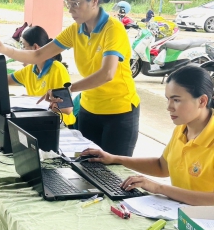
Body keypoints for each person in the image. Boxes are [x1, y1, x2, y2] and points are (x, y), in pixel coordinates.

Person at [0, 0, 140, 156]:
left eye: (76, 3)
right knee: (86, 168)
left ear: (94, 0)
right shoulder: (75, 30)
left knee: (114, 176)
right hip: (89, 109)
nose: (71, 10)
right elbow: (39, 54)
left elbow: (107, 73)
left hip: (119, 113)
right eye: (68, 4)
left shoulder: (113, 29)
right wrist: (3, 48)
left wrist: (67, 89)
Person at [81, 65, 214, 205]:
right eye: (168, 99)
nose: (169, 107)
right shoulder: (182, 129)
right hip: (181, 213)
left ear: (202, 101)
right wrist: (114, 158)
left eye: (176, 100)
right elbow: (162, 167)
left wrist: (159, 188)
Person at [8, 25, 75, 126]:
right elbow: (2, 80)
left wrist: (32, 101)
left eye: (23, 46)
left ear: (35, 47)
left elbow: (67, 109)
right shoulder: (30, 69)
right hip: (40, 120)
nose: (21, 51)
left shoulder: (57, 69)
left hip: (60, 125)